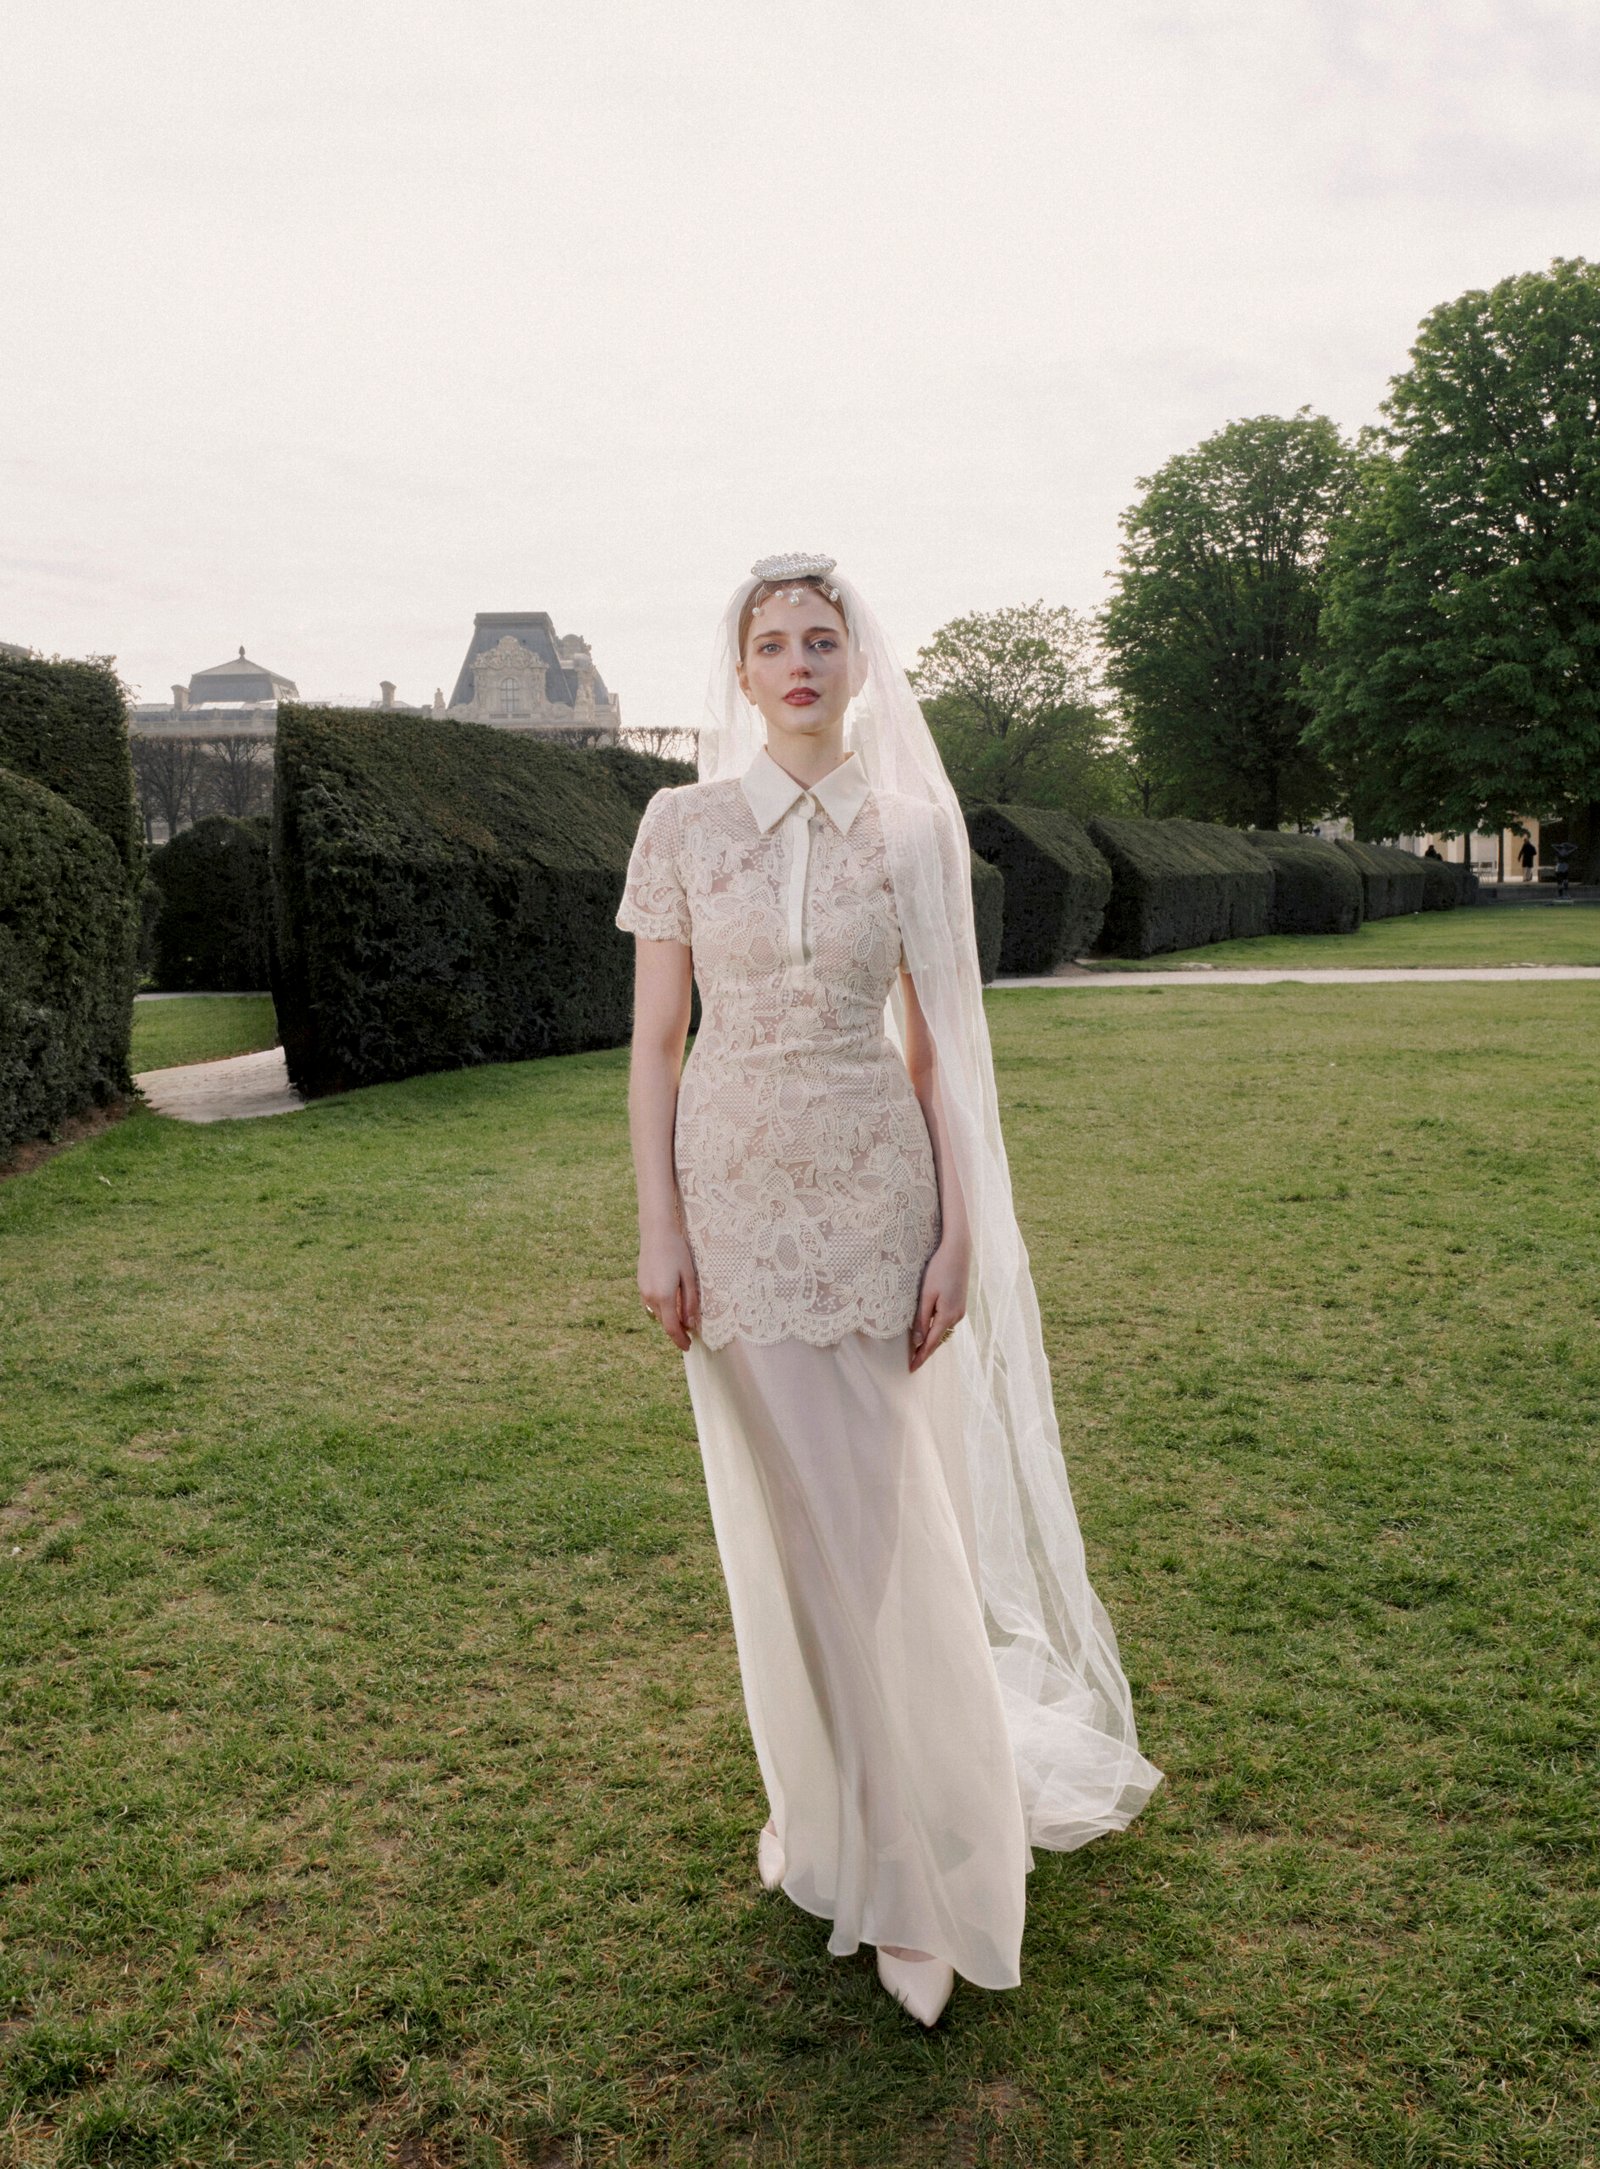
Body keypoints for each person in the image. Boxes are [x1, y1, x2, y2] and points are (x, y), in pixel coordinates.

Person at [616, 554, 1161, 2028]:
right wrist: (661, 1228)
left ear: (859, 663)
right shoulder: (680, 824)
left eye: (822, 638)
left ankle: (912, 1880)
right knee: (801, 1543)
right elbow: (656, 1044)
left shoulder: (916, 833)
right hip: (734, 1210)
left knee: (874, 1535)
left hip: (873, 1205)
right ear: (741, 673)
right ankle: (839, 1824)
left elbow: (941, 1055)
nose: (799, 661)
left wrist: (960, 1235)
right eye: (772, 643)